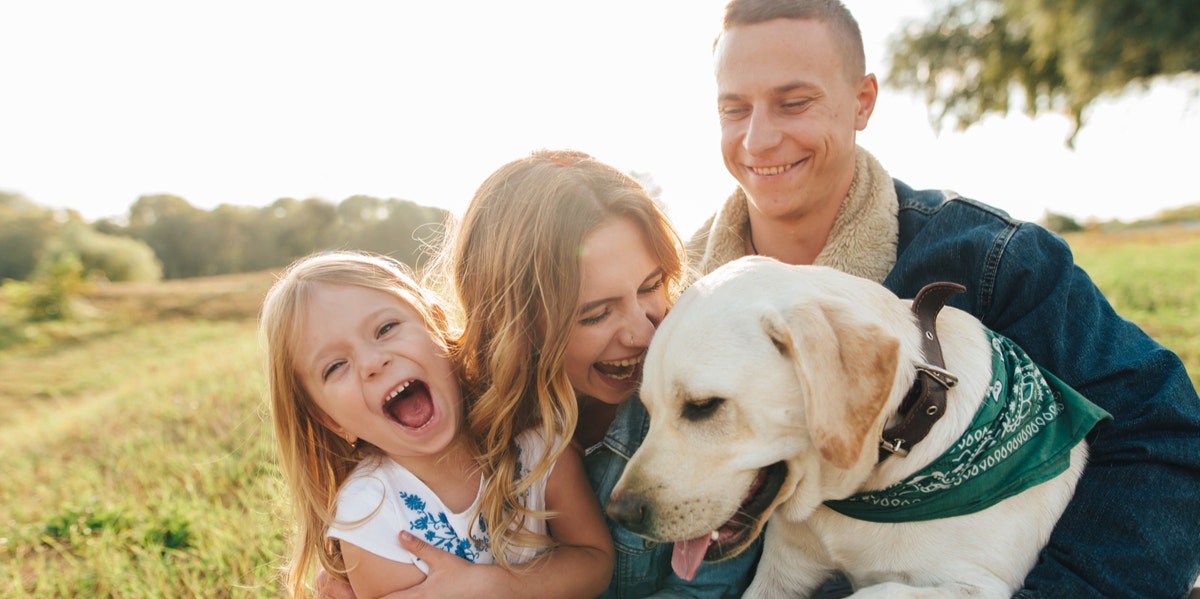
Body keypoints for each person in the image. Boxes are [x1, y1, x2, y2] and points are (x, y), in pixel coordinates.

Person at [688, 1, 1200, 597]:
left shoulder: (994, 264)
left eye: (793, 102)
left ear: (863, 101)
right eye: (734, 108)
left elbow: (1164, 433)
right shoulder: (665, 303)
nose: (758, 137)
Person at [315, 150, 761, 598]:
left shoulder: (708, 403)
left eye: (651, 287)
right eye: (595, 314)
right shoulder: (447, 425)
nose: (643, 333)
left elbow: (705, 590)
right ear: (517, 328)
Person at [260, 250, 613, 598]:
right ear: (329, 420)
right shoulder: (368, 512)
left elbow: (595, 562)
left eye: (386, 328)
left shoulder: (532, 445)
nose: (372, 362)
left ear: (437, 325)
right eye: (335, 366)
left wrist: (499, 587)